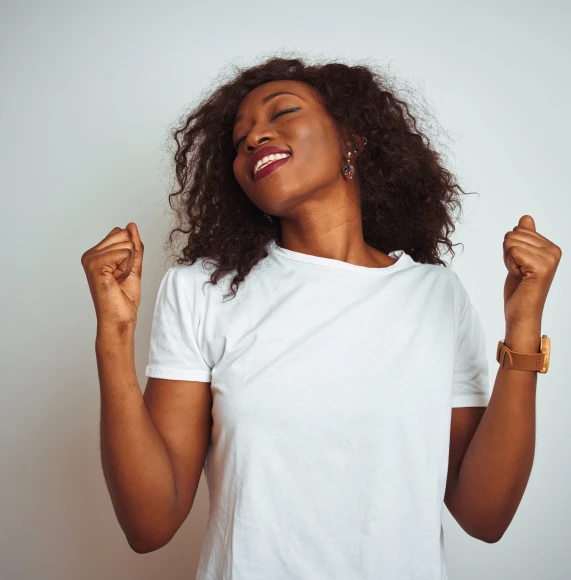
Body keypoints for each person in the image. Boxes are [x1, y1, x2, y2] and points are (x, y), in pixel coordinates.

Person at [83, 56, 494, 579]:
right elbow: (149, 525)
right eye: (239, 140)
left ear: (351, 139)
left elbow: (485, 516)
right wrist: (114, 339)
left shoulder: (437, 296)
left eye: (282, 113)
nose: (255, 138)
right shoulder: (202, 291)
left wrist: (524, 335)